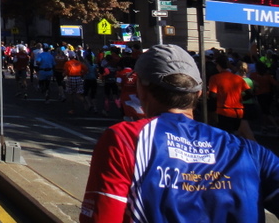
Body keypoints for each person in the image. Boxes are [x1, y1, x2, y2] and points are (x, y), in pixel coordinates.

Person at [80, 43, 279, 223]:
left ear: (141, 87)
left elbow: (101, 218)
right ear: (198, 93)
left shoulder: (124, 139)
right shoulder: (251, 152)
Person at [208, 54, 250, 135]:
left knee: (225, 134)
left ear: (218, 65)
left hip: (224, 110)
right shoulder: (238, 78)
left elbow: (212, 95)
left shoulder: (215, 78)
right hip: (238, 111)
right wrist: (241, 99)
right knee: (235, 133)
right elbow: (250, 93)